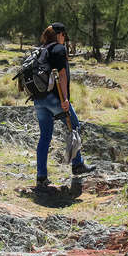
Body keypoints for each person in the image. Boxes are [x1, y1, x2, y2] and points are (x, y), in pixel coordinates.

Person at [34, 22, 95, 189]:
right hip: (55, 99)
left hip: (39, 100)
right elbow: (61, 74)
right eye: (64, 36)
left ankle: (41, 177)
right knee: (74, 126)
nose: (64, 39)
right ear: (59, 35)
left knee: (45, 137)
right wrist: (65, 99)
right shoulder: (59, 49)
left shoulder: (42, 50)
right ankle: (77, 164)